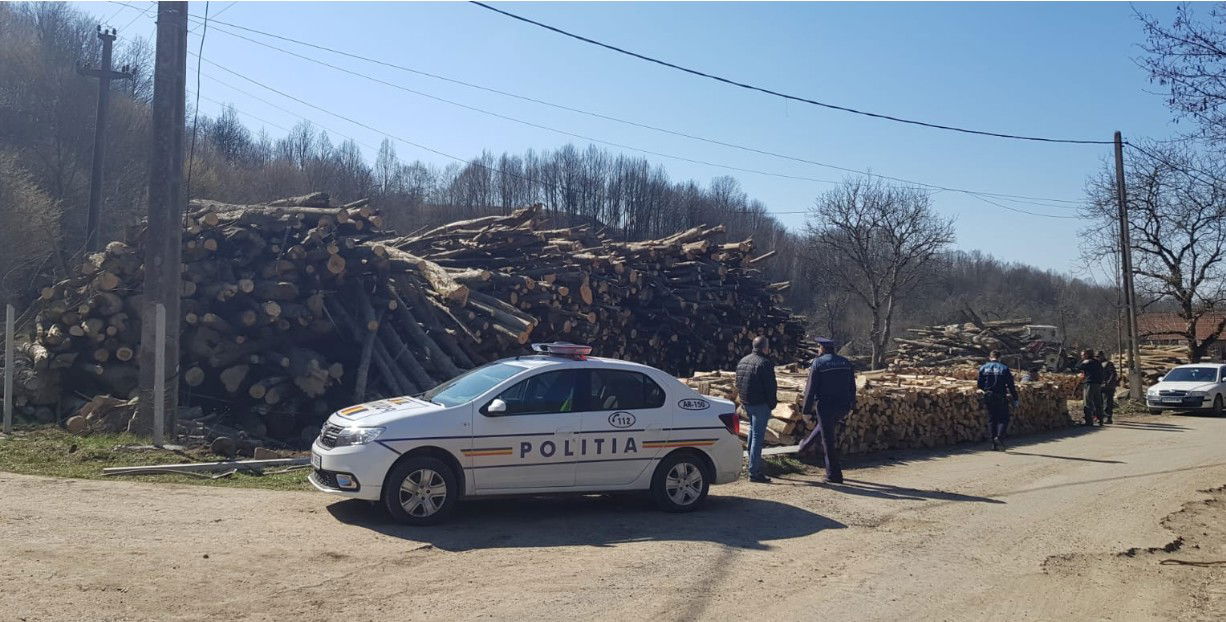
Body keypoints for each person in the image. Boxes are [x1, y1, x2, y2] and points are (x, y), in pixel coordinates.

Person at [799, 337, 856, 484]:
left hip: (826, 406)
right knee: (825, 427)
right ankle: (805, 445)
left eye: (819, 347)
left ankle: (834, 475)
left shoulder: (818, 363)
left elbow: (810, 389)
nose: (818, 350)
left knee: (828, 440)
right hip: (843, 405)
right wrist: (852, 405)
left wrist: (806, 410)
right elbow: (852, 386)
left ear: (822, 349)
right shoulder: (845, 362)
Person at [735, 335, 777, 483]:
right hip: (760, 404)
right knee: (758, 437)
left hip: (747, 403)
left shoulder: (743, 361)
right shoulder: (765, 363)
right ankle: (754, 472)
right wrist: (772, 404)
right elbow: (771, 387)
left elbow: (737, 383)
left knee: (752, 432)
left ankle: (751, 465)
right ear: (765, 348)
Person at [977, 350, 1019, 451]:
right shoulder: (1004, 368)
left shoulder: (983, 368)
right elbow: (1010, 385)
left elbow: (979, 384)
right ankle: (999, 438)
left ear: (989, 357)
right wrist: (1015, 398)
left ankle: (993, 444)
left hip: (988, 396)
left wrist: (985, 391)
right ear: (1000, 358)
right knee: (1004, 418)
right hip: (1000, 395)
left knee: (992, 419)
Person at [1077, 349, 1105, 426]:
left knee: (1088, 402)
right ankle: (1100, 419)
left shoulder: (1087, 362)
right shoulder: (1097, 362)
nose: (1082, 356)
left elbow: (1077, 367)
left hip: (1089, 383)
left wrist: (1082, 361)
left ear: (1087, 355)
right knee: (1098, 402)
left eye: (1083, 355)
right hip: (1097, 384)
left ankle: (1089, 421)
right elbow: (1102, 372)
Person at [1099, 351, 1117, 425]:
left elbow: (1113, 374)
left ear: (1102, 356)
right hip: (1100, 386)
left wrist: (1108, 383)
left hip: (1108, 387)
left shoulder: (1108, 364)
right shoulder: (1098, 364)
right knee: (1101, 402)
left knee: (1107, 402)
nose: (1098, 358)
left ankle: (1108, 417)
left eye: (1099, 356)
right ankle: (1101, 417)